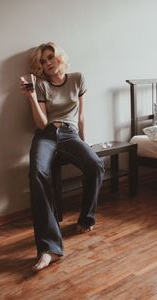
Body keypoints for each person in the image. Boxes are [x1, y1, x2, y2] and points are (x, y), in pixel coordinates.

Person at [21, 42, 105, 272]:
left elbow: (81, 116)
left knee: (95, 164)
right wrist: (30, 96)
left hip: (70, 134)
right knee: (37, 173)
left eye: (50, 57)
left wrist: (84, 144)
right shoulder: (40, 85)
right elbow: (41, 123)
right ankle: (50, 249)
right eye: (42, 61)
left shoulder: (78, 78)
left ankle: (85, 218)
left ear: (59, 57)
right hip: (46, 135)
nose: (47, 63)